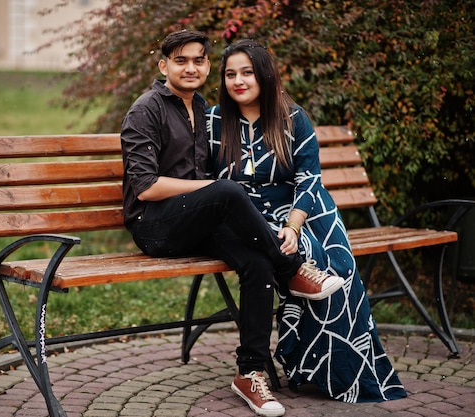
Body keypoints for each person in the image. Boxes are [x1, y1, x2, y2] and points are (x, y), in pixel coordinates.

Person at [121, 30, 344, 417]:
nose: (191, 68)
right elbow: (144, 187)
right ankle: (291, 269)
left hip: (197, 222)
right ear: (163, 66)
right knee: (228, 190)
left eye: (198, 61)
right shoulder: (146, 109)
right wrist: (214, 187)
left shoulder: (205, 110)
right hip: (155, 226)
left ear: (207, 66)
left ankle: (250, 373)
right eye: (180, 61)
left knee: (256, 263)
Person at [206, 39, 408, 403]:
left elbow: (309, 178)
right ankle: (305, 363)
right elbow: (208, 185)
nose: (239, 81)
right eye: (231, 73)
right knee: (294, 260)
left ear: (264, 75)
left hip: (303, 209)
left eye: (247, 72)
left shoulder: (292, 117)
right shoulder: (215, 121)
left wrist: (295, 225)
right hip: (246, 215)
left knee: (332, 264)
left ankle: (336, 368)